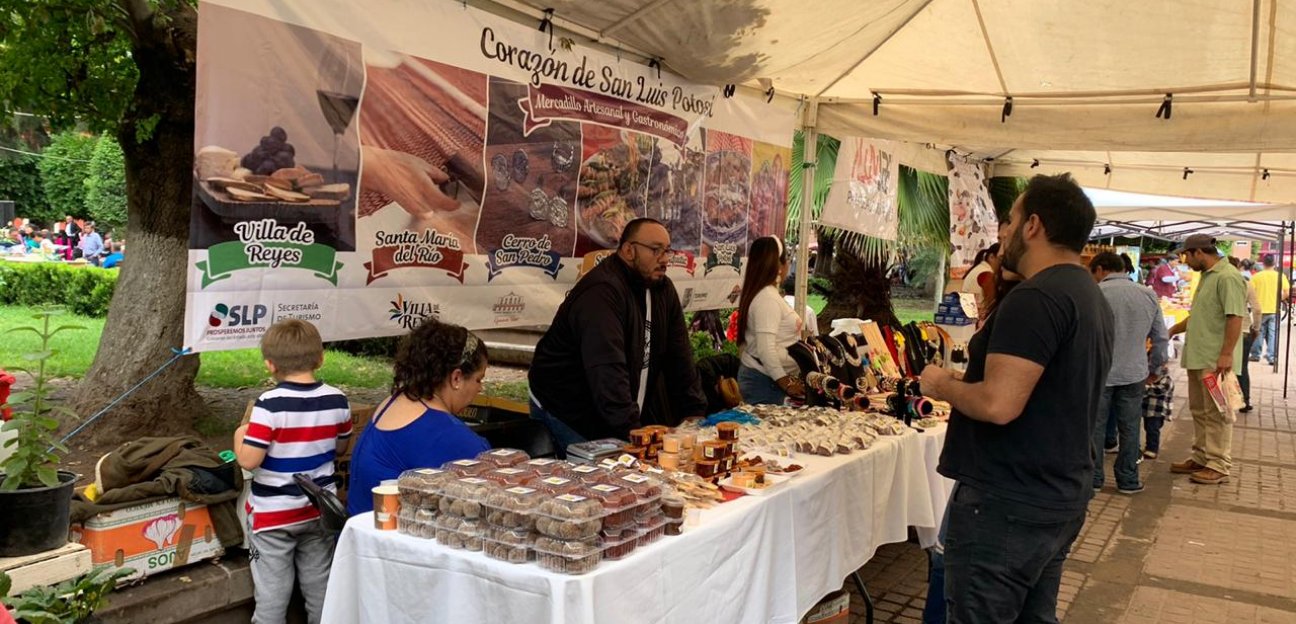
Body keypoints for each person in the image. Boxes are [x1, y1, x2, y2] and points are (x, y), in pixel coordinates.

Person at [920, 173, 1113, 622]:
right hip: (1053, 495)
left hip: (1008, 503)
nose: (1002, 231)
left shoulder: (1037, 297)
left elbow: (997, 405)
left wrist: (941, 384)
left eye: (1010, 220)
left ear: (1033, 226)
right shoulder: (1088, 294)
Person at [529, 218, 707, 453]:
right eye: (655, 250)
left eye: (667, 251)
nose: (664, 259)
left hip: (613, 413)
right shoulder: (601, 293)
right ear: (628, 250)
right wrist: (635, 437)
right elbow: (607, 372)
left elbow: (680, 358)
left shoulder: (663, 290)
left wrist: (694, 416)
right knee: (593, 482)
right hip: (568, 409)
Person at [232, 319, 352, 624]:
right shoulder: (338, 399)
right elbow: (340, 448)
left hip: (273, 517)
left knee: (272, 596)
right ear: (321, 357)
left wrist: (239, 434)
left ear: (270, 365)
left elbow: (248, 460)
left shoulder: (268, 405)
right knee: (320, 589)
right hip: (317, 513)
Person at [348, 319, 491, 516]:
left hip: (361, 528)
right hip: (392, 536)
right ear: (456, 378)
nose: (480, 388)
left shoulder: (393, 401)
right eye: (478, 379)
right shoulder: (448, 434)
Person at [1167, 234, 1247, 485]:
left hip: (1214, 359)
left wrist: (1225, 354)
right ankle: (1202, 456)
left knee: (1217, 413)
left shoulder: (1227, 277)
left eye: (1186, 255)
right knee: (1200, 411)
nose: (1185, 261)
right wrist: (1171, 330)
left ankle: (1219, 464)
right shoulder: (1207, 277)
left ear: (1198, 253)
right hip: (1199, 356)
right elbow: (1199, 316)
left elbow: (1235, 317)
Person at [1089, 252, 1168, 494]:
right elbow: (1161, 338)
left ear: (1101, 269)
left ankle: (1093, 478)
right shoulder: (1147, 294)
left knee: (1095, 426)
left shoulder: (1095, 294)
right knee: (1131, 427)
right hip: (1135, 372)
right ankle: (1128, 479)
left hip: (1100, 372)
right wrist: (1156, 368)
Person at [736, 236, 805, 404]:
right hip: (765, 383)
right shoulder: (767, 299)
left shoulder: (767, 295)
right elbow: (766, 348)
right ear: (779, 266)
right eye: (787, 259)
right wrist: (785, 382)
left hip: (767, 380)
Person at [1231, 256, 1262, 413]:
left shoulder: (1220, 283)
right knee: (1242, 366)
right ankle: (1245, 400)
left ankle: (1224, 398)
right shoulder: (1246, 283)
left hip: (1226, 331)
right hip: (1244, 330)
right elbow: (1257, 309)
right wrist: (1256, 328)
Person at [1248, 255, 1289, 365]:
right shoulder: (1280, 276)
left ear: (1263, 263)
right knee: (1273, 334)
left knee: (1258, 332)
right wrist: (1279, 299)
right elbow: (1286, 292)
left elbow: (1250, 292)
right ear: (1274, 263)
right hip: (1274, 309)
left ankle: (1256, 355)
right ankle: (1272, 357)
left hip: (1259, 309)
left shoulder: (1256, 277)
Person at [961, 243, 999, 312]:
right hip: (974, 315)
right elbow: (990, 304)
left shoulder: (980, 268)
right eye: (1001, 258)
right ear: (992, 257)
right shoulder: (986, 273)